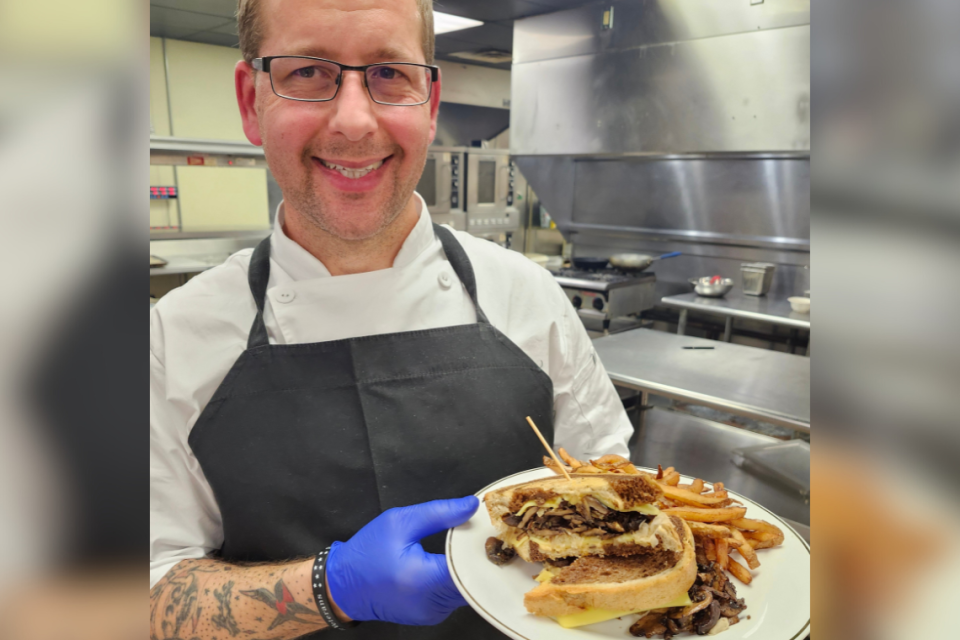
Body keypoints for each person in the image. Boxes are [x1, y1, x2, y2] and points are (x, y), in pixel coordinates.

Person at [149, 1, 633, 638]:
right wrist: (328, 587)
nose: (354, 121)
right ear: (251, 101)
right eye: (307, 73)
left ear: (430, 104)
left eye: (389, 74)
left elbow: (619, 506)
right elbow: (143, 594)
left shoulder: (529, 297)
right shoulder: (172, 336)